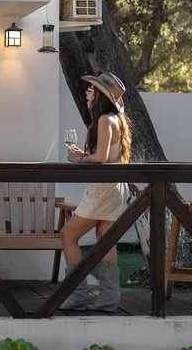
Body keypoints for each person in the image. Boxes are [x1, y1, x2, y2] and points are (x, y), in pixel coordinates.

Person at [61, 71, 132, 311]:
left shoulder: (103, 120)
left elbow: (100, 158)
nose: (87, 92)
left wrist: (80, 160)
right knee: (105, 238)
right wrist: (84, 156)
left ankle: (78, 293)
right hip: (115, 188)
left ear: (101, 95)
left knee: (68, 235)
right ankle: (110, 297)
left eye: (92, 89)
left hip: (103, 187)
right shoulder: (115, 120)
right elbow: (106, 156)